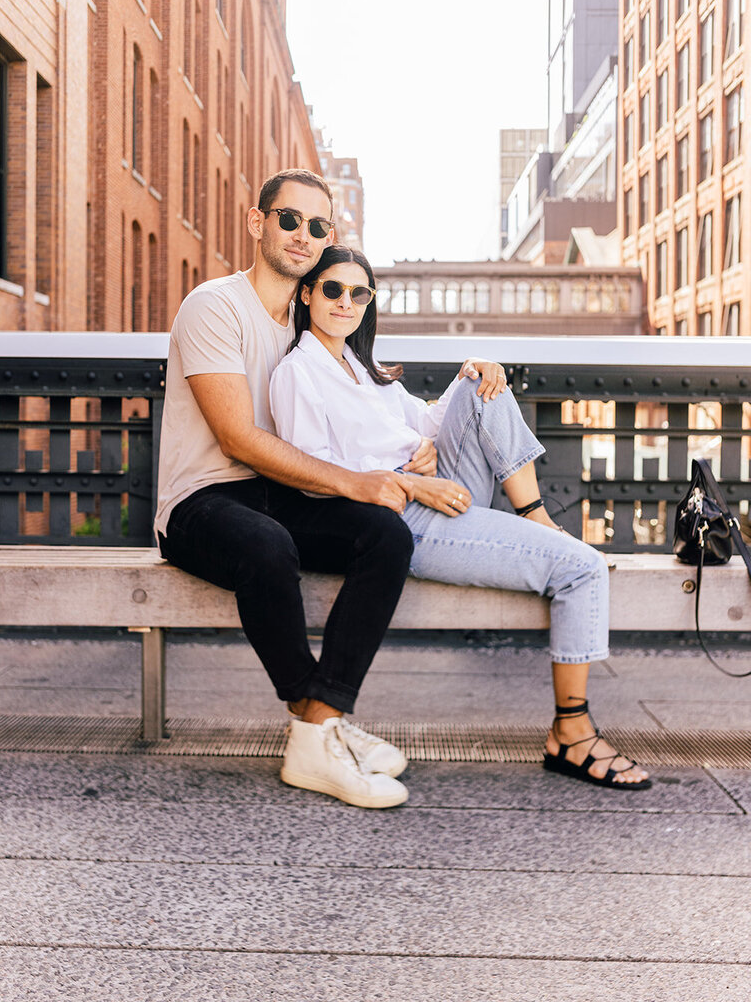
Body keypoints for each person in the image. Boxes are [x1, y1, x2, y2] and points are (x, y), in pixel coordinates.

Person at [269, 244, 652, 791]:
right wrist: (407, 476)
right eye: (332, 289)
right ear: (307, 294)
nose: (345, 302)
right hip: (400, 519)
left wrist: (470, 378)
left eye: (359, 292)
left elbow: (425, 421)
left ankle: (536, 516)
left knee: (480, 382)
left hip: (433, 491)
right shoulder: (298, 373)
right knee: (582, 567)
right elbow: (315, 472)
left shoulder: (357, 363)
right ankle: (572, 733)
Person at [155, 170, 427, 810]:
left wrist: (413, 448)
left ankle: (321, 721)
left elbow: (366, 412)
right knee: (268, 545)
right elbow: (236, 439)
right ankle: (317, 729)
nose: (304, 235)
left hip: (277, 492)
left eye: (318, 225)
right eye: (289, 219)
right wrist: (355, 481)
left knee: (385, 535)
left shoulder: (309, 326)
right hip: (201, 501)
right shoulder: (214, 305)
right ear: (258, 223)